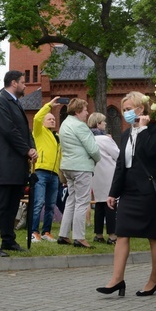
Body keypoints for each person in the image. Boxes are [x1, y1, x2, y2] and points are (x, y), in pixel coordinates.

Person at [98, 94, 156, 297]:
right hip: (128, 191)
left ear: (141, 109)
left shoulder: (155, 129)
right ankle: (116, 279)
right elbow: (121, 165)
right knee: (122, 234)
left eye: (129, 108)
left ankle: (154, 280)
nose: (126, 112)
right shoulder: (126, 134)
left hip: (148, 191)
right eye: (124, 108)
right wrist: (113, 192)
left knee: (153, 236)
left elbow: (151, 153)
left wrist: (143, 129)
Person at [0, 70, 37, 257]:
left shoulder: (16, 104)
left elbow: (25, 130)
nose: (25, 85)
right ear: (14, 83)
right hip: (5, 163)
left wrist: (32, 147)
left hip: (17, 164)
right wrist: (26, 149)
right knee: (0, 204)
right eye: (23, 82)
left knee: (13, 204)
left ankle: (8, 239)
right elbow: (9, 130)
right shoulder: (0, 102)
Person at [57, 98, 100, 248]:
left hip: (67, 166)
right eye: (85, 110)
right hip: (81, 167)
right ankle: (79, 237)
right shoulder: (80, 126)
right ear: (77, 111)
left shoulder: (64, 124)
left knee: (71, 200)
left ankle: (63, 234)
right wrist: (97, 159)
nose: (87, 113)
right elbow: (93, 149)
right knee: (82, 201)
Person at [30, 97, 64, 242]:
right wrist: (49, 106)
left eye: (53, 119)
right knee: (38, 202)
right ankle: (33, 232)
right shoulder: (39, 132)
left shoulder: (56, 137)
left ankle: (46, 232)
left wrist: (62, 175)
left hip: (54, 174)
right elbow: (37, 118)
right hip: (41, 171)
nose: (52, 120)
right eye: (49, 119)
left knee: (50, 205)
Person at [88, 112, 119, 244]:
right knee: (110, 204)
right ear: (98, 124)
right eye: (104, 122)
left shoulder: (88, 138)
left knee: (99, 205)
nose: (105, 124)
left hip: (96, 174)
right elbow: (118, 155)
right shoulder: (105, 139)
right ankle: (112, 235)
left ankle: (99, 234)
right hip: (108, 174)